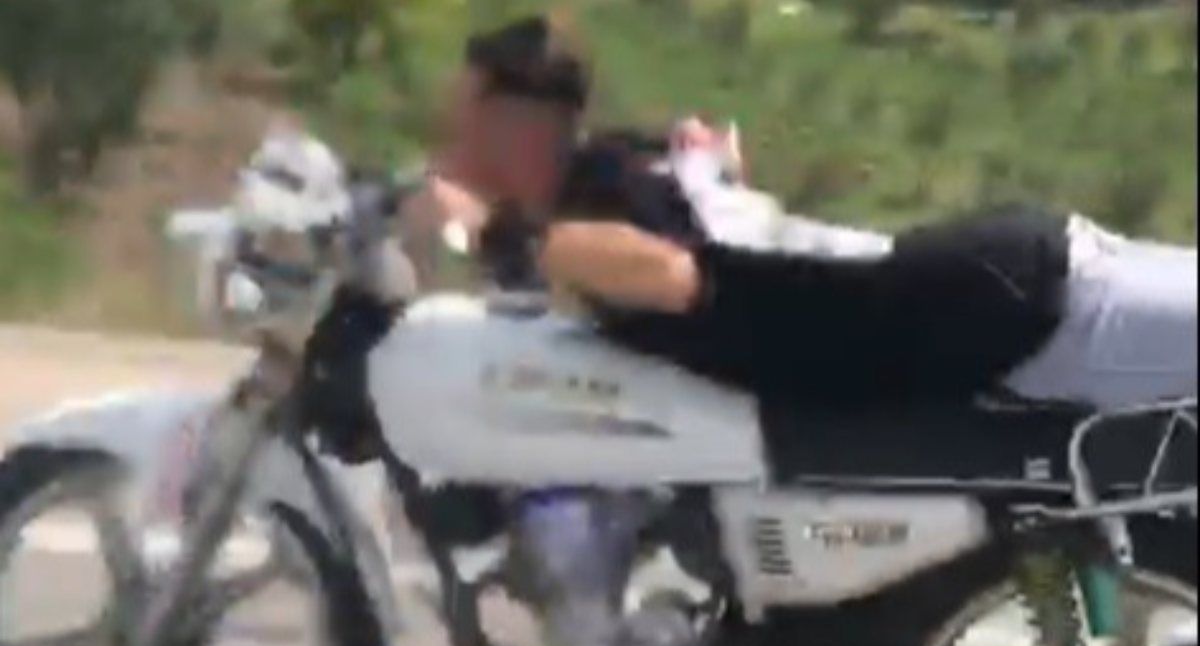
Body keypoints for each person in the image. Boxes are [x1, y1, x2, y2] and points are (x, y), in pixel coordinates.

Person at [417, 16, 1197, 412]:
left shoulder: (603, 201)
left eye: (463, 116)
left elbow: (671, 275)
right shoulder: (634, 166)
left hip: (1012, 309)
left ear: (515, 125)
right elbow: (720, 234)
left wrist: (487, 230)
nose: (446, 138)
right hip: (1003, 285)